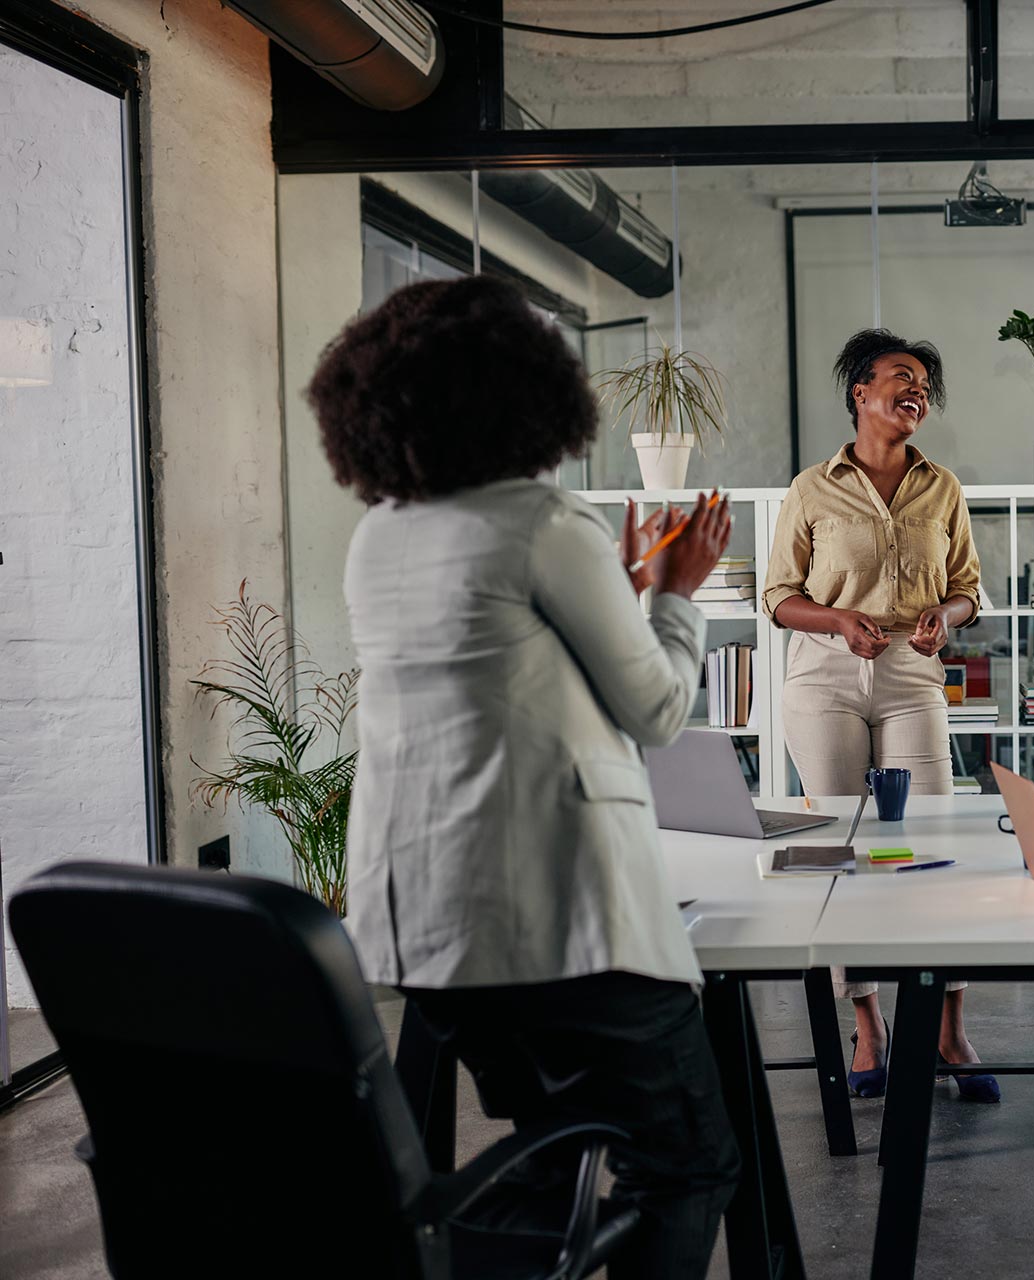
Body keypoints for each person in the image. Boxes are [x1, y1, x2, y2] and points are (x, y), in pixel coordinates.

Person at [311, 274, 739, 1280]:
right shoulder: (544, 520)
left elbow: (506, 668)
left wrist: (618, 590)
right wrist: (676, 594)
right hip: (562, 926)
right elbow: (656, 710)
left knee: (558, 1149)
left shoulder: (380, 534)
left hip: (430, 931)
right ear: (528, 391)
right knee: (685, 1166)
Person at [763, 328, 997, 1103]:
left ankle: (949, 1025)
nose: (917, 389)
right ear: (860, 392)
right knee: (843, 846)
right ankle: (867, 1023)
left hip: (910, 671)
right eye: (902, 375)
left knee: (932, 839)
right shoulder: (811, 488)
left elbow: (967, 587)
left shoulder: (943, 488)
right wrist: (838, 620)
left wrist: (944, 616)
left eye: (925, 382)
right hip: (824, 672)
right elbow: (778, 596)